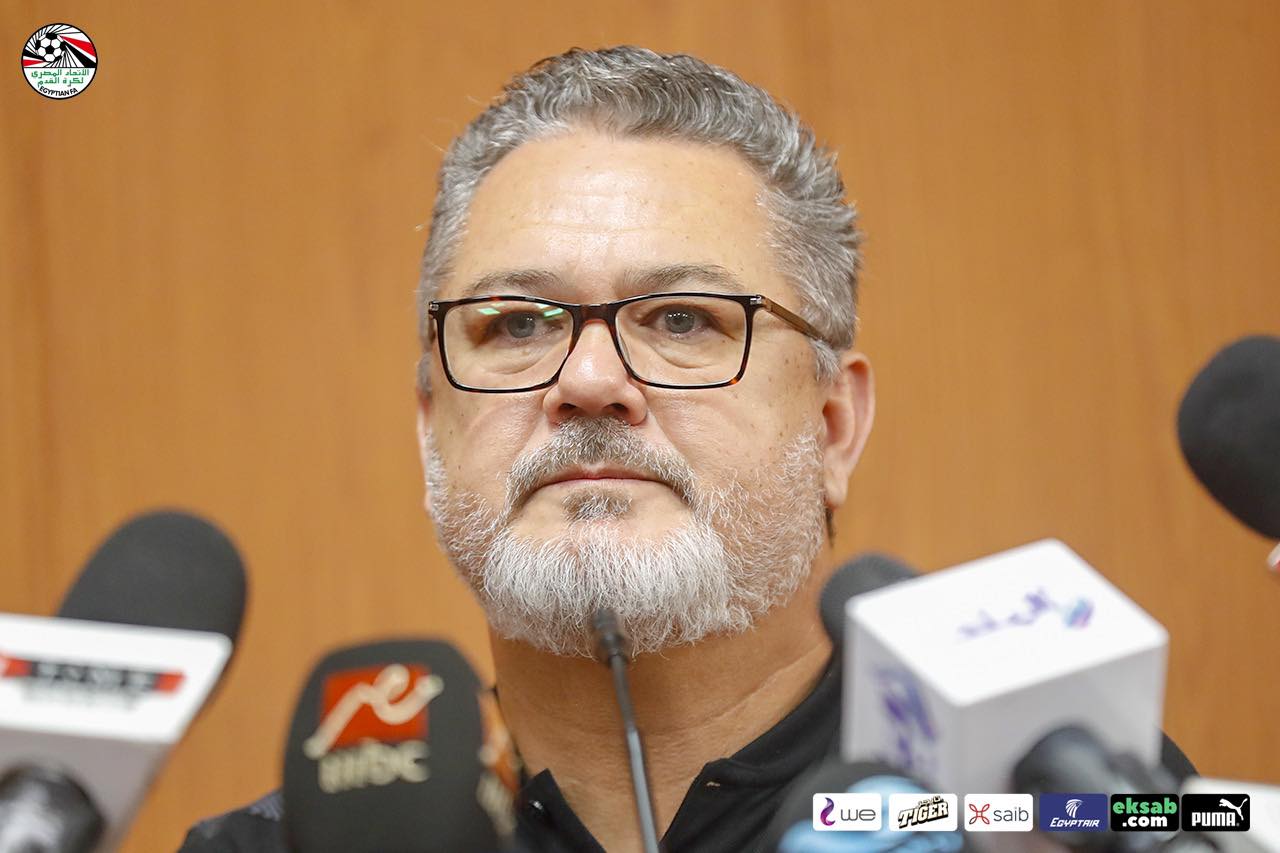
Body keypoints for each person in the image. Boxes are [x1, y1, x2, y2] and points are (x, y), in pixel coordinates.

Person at [180, 46, 1189, 853]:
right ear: (427, 426)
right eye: (518, 323)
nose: (587, 380)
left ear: (833, 425)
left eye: (680, 319)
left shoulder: (1077, 805)